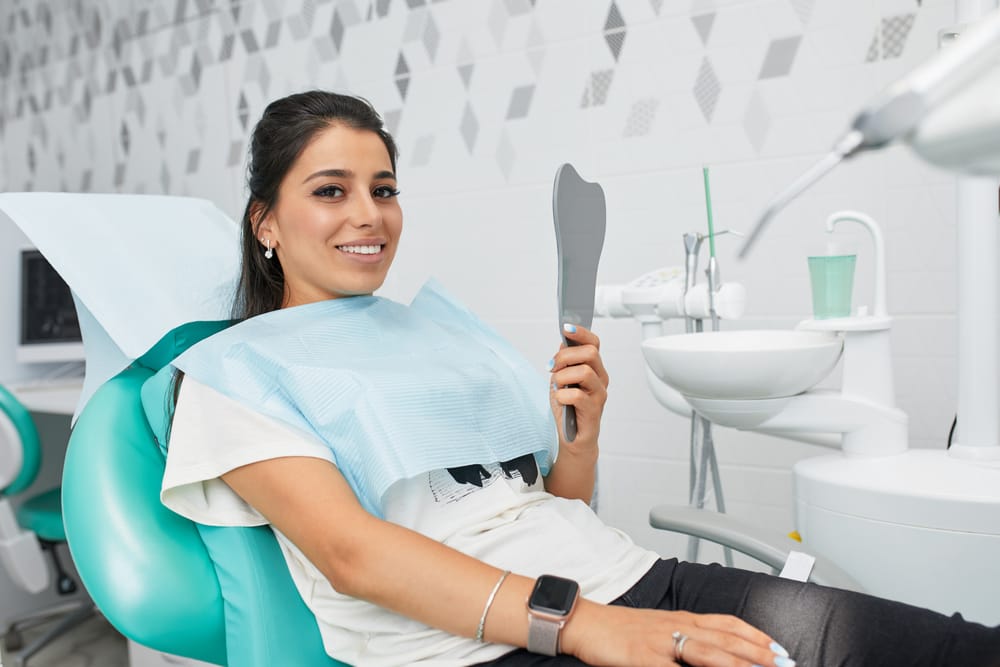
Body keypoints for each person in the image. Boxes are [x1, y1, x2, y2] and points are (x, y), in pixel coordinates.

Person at [159, 90, 1000, 667]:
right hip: (487, 644)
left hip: (634, 580)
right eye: (330, 190)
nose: (368, 214)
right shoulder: (235, 374)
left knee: (955, 648)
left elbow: (547, 508)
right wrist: (585, 626)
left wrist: (579, 439)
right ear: (266, 221)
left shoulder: (427, 339)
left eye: (383, 188)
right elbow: (353, 555)